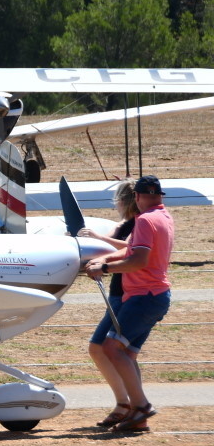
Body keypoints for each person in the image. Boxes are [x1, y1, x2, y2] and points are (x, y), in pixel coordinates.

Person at [84, 175, 174, 432]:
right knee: (126, 353)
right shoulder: (164, 216)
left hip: (143, 296)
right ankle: (137, 416)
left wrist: (105, 266)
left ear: (137, 197)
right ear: (159, 196)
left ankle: (142, 406)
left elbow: (139, 261)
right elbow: (132, 251)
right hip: (153, 296)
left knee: (112, 349)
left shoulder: (145, 220)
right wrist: (104, 261)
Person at [79, 182, 139, 427]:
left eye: (119, 200)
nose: (117, 204)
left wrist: (96, 236)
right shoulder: (123, 225)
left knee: (115, 350)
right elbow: (109, 246)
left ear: (125, 201)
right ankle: (127, 403)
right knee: (103, 348)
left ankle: (132, 405)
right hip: (117, 292)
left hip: (129, 292)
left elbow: (133, 249)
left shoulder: (141, 224)